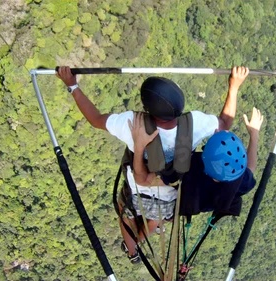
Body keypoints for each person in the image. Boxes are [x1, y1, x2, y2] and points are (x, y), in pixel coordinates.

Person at [56, 66, 250, 263]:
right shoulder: (195, 123)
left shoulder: (133, 123)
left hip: (138, 189)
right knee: (155, 217)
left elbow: (96, 119)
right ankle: (142, 237)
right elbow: (225, 123)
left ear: (147, 110)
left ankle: (132, 252)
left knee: (126, 215)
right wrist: (234, 86)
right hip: (171, 194)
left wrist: (73, 86)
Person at [130, 107, 264, 246]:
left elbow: (143, 179)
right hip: (195, 205)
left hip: (184, 199)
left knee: (154, 211)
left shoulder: (187, 169)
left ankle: (145, 233)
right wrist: (254, 134)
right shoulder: (237, 176)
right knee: (158, 219)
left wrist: (139, 146)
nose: (216, 131)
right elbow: (250, 167)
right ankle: (151, 230)